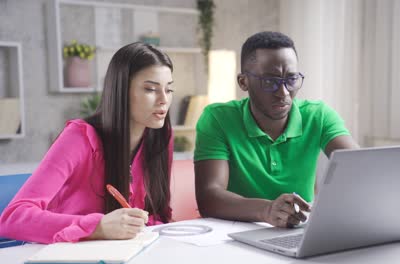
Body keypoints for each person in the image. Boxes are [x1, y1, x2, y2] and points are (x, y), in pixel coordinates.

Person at [0, 42, 175, 244]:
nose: (164, 100)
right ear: (121, 91)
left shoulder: (161, 137)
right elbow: (12, 218)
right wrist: (98, 227)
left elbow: (160, 215)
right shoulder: (79, 137)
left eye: (169, 89)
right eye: (151, 89)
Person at [194, 31, 359, 228]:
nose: (284, 93)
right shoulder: (218, 118)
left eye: (291, 79)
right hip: (236, 233)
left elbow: (361, 166)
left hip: (298, 230)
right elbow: (209, 197)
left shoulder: (318, 115)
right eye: (270, 82)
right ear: (243, 82)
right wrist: (267, 210)